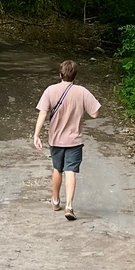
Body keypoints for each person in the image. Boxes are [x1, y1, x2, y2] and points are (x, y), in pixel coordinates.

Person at [33, 60, 101, 220]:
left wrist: (36, 134)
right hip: (74, 140)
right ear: (75, 75)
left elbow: (42, 113)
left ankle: (56, 201)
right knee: (71, 171)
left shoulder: (50, 90)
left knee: (57, 169)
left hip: (55, 139)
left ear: (60, 74)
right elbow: (95, 113)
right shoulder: (82, 92)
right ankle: (69, 206)